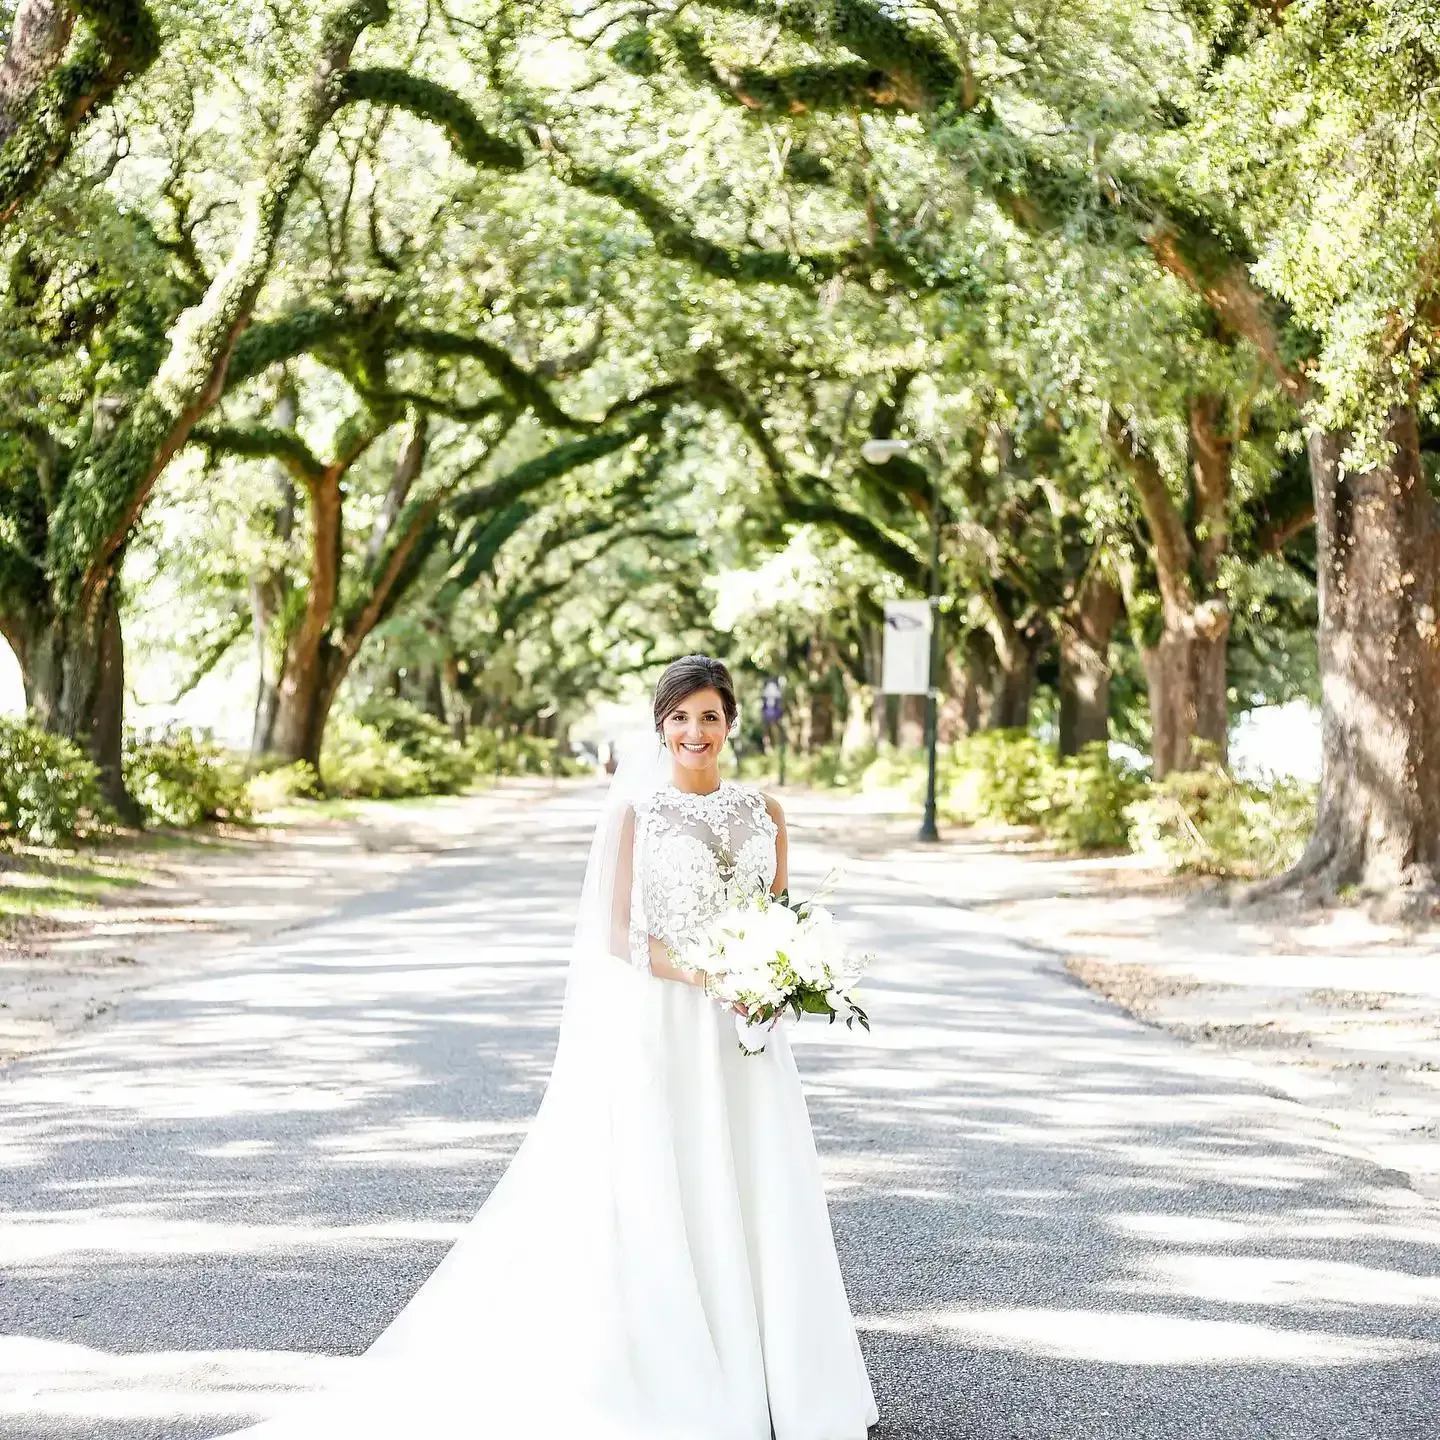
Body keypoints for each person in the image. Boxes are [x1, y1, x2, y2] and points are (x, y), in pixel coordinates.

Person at [223, 654, 878, 1440]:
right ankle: (687, 1375)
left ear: (731, 722)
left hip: (749, 1037)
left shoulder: (767, 811)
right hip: (670, 1023)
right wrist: (714, 976)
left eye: (710, 716)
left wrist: (776, 979)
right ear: (660, 728)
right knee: (674, 1188)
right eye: (680, 718)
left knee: (756, 1186)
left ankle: (776, 1380)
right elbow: (615, 935)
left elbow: (780, 914)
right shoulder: (641, 814)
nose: (695, 732)